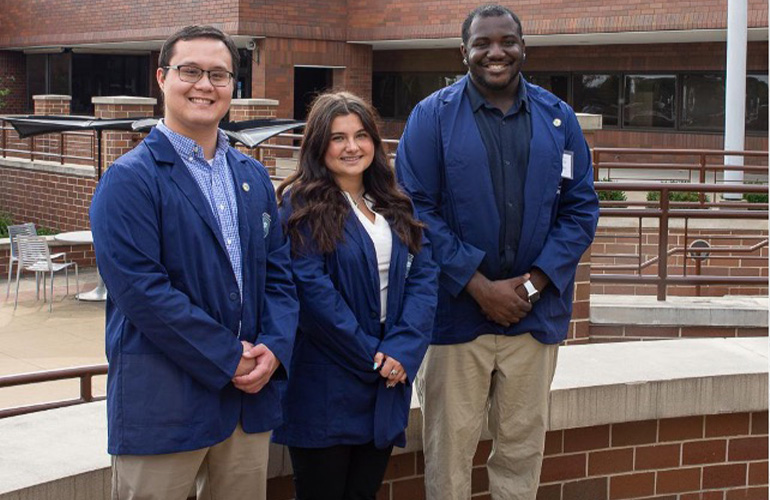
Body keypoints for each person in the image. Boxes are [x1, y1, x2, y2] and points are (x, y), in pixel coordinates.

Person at [395, 5, 600, 500]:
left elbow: (580, 209)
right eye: (482, 43)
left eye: (507, 41)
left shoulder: (558, 118)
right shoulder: (432, 117)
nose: (496, 52)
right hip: (455, 319)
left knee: (520, 453)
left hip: (532, 319)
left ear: (523, 46)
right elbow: (414, 208)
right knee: (448, 456)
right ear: (462, 51)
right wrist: (478, 286)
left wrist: (531, 286)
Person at [89, 25, 298, 500]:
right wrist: (230, 357)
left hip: (248, 405)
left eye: (219, 74)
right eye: (190, 71)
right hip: (165, 406)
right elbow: (143, 293)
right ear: (162, 78)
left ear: (232, 87)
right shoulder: (128, 180)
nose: (205, 85)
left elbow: (280, 274)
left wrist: (275, 347)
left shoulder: (253, 176)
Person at [273, 91, 439, 500]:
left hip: (386, 379)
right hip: (327, 380)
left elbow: (425, 275)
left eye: (361, 135)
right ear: (318, 145)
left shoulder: (395, 202)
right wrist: (374, 356)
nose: (352, 147)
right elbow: (312, 293)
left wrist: (402, 349)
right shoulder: (300, 207)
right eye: (338, 137)